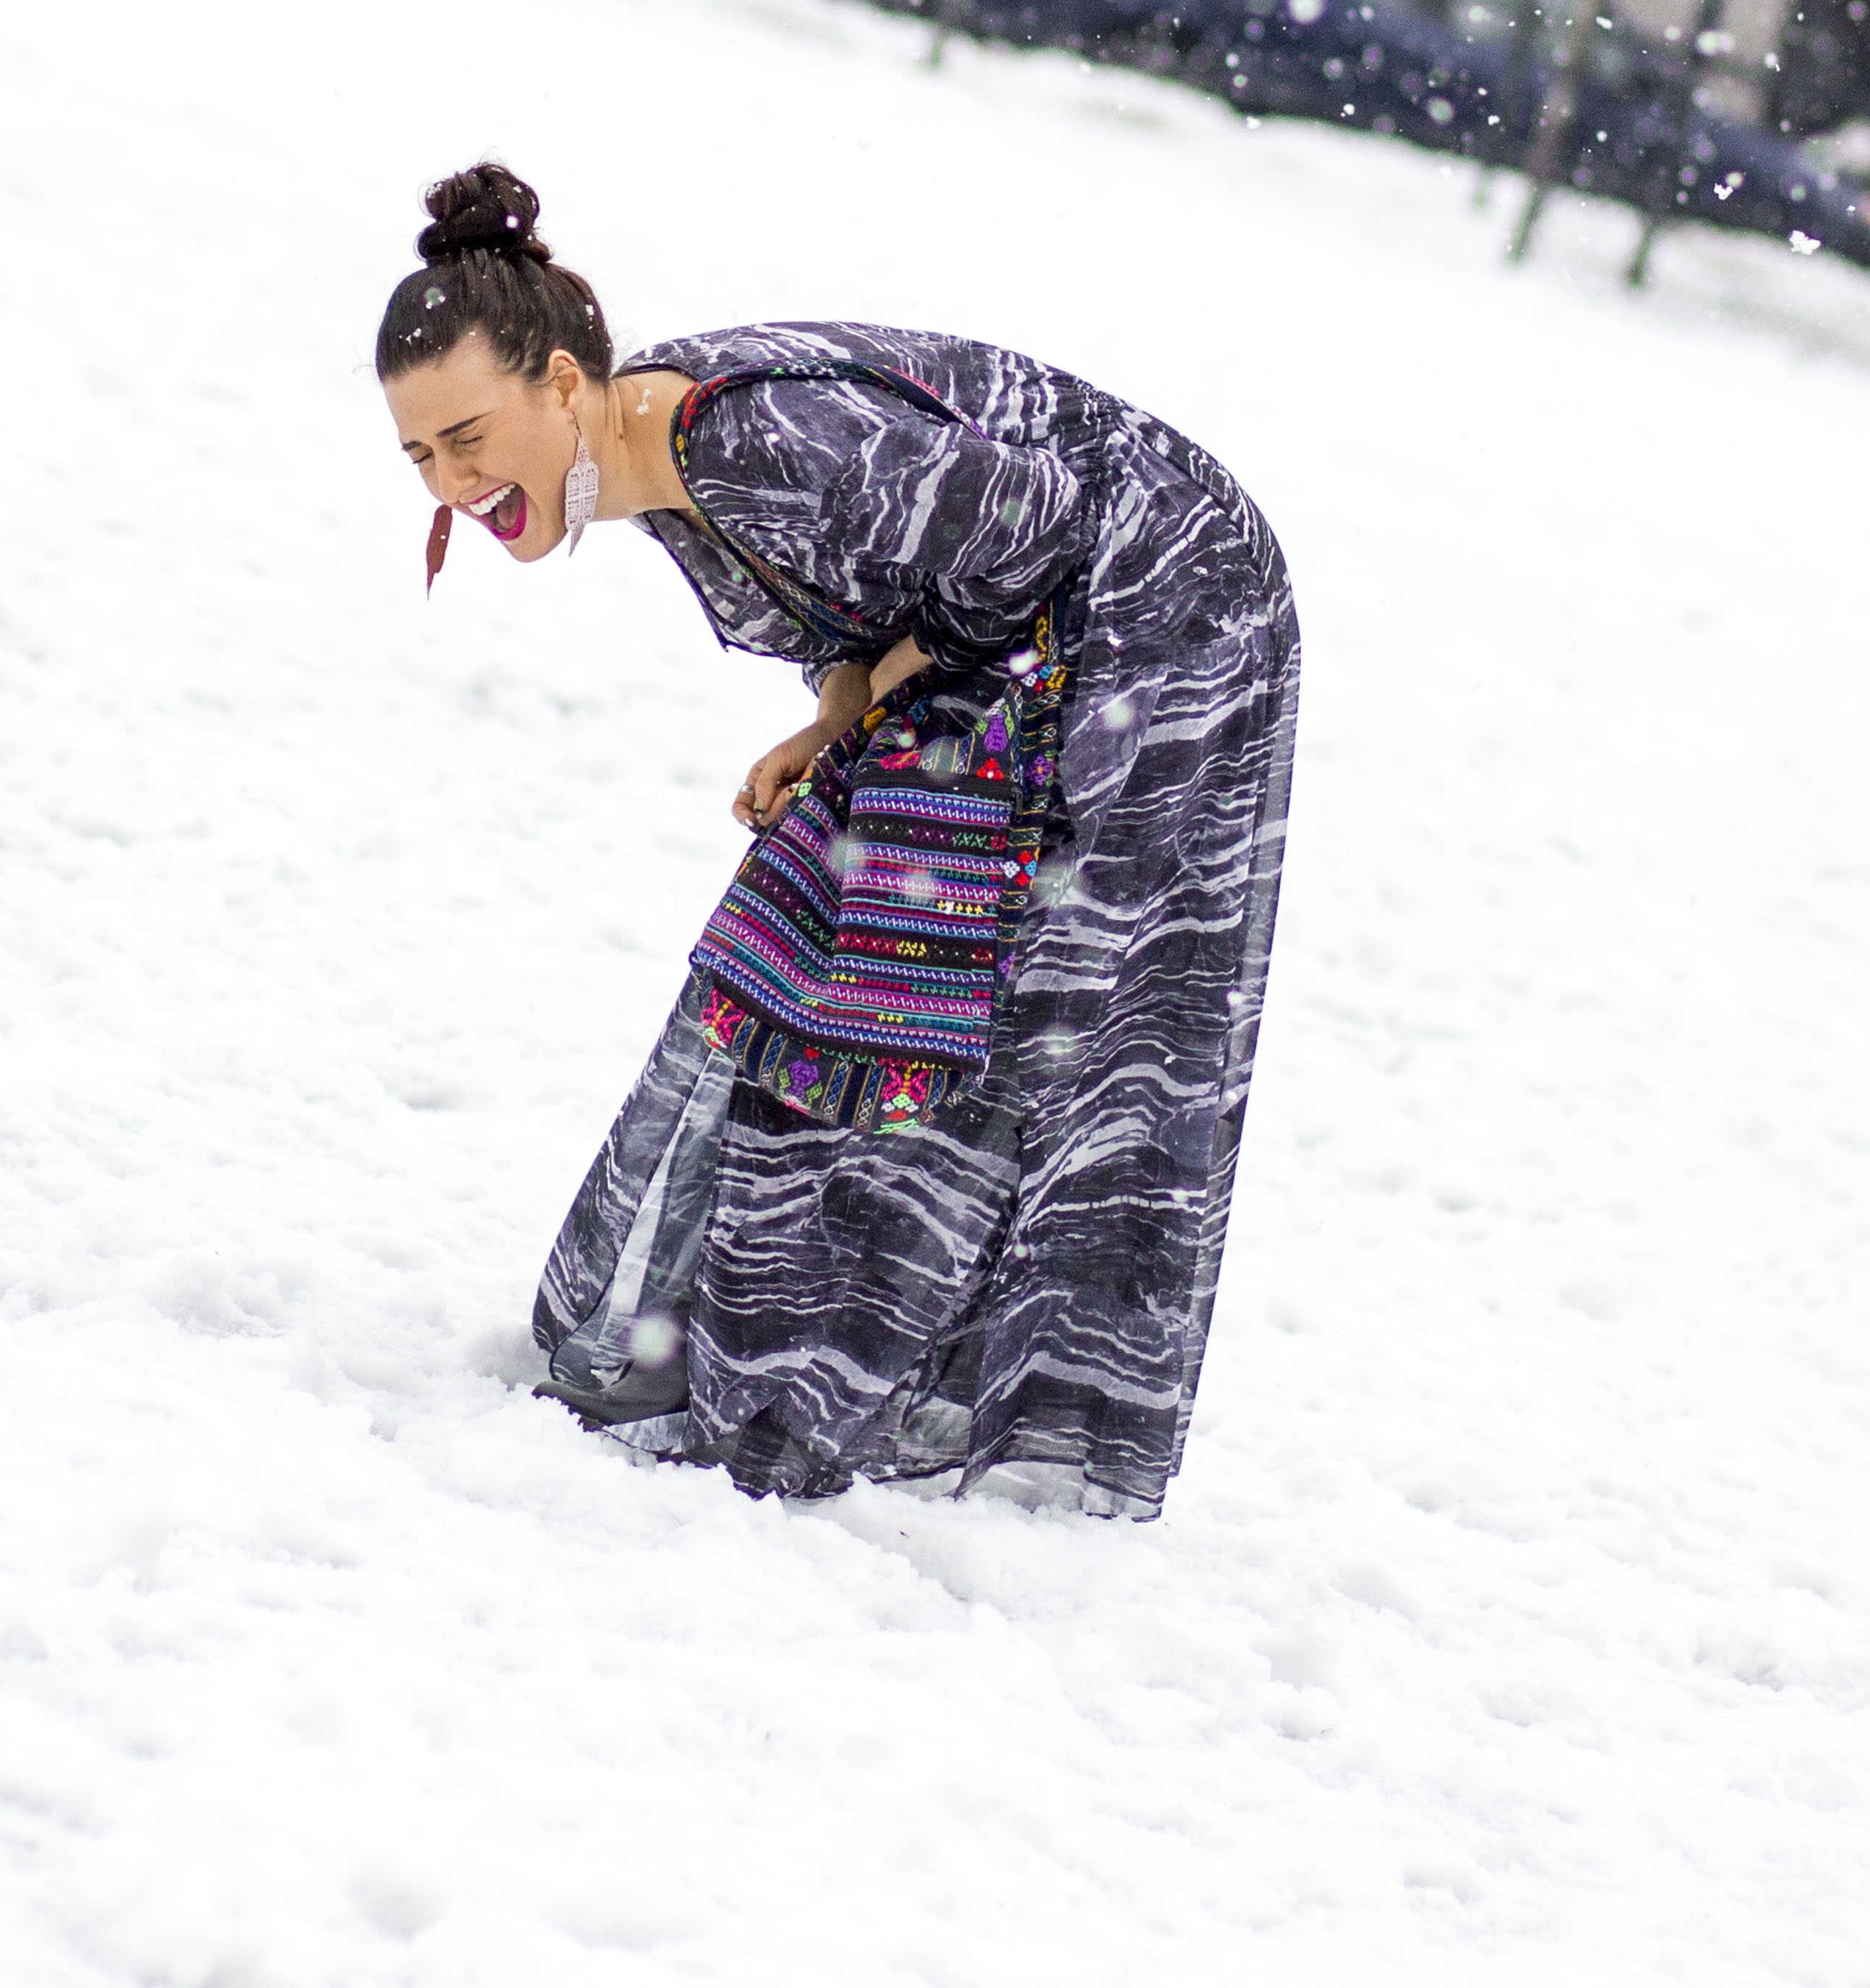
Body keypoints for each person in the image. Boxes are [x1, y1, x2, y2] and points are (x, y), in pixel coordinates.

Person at [378, 163, 1300, 1519]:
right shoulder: (647, 465)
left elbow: (1032, 539)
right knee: (848, 938)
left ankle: (915, 1382)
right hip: (1030, 635)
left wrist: (887, 711)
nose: (457, 484)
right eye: (421, 459)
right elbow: (887, 599)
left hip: (1165, 611)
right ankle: (759, 1347)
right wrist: (839, 716)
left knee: (1025, 996)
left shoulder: (750, 446)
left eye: (471, 437)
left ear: (564, 385)